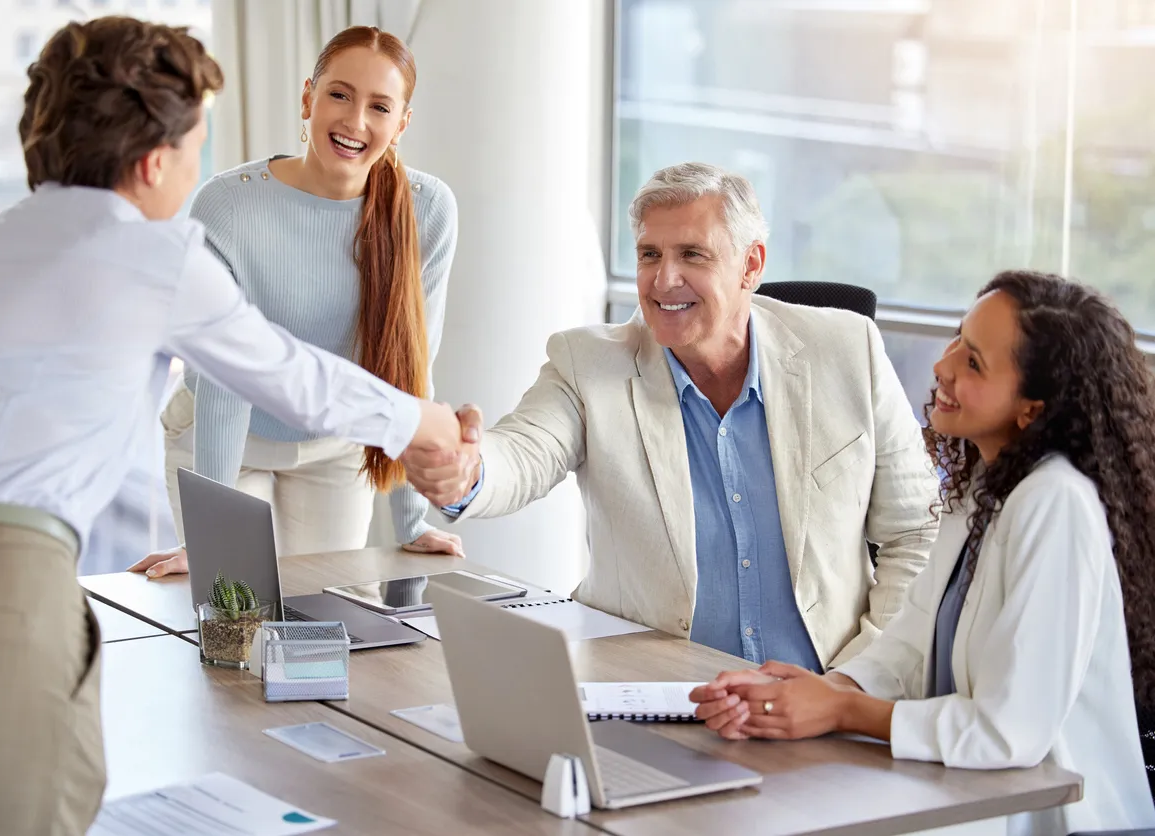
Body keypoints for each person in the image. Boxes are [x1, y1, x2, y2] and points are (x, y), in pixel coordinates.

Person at [0, 18, 473, 835]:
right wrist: (431, 424)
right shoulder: (153, 255)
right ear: (153, 162)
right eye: (196, 145)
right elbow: (284, 376)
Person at [404, 162, 940, 670]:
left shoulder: (847, 349)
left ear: (751, 265)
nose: (663, 280)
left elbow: (916, 533)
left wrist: (855, 681)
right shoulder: (589, 364)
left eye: (692, 255)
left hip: (823, 694)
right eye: (649, 255)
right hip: (653, 694)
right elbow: (522, 453)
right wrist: (467, 470)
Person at [690, 272, 1155, 835]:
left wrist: (841, 710)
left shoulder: (1055, 503)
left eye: (974, 362)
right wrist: (826, 688)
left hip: (1062, 820)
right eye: (958, 338)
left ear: (1032, 409)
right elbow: (908, 649)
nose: (944, 365)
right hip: (972, 798)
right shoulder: (985, 485)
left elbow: (1008, 732)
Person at [130, 25, 461, 581]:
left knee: (326, 607)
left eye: (379, 107)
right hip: (219, 437)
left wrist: (411, 521)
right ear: (308, 98)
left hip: (332, 445)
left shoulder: (427, 210)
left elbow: (409, 366)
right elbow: (226, 376)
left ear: (401, 123)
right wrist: (210, 538)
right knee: (237, 604)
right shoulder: (228, 205)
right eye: (339, 94)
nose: (355, 121)